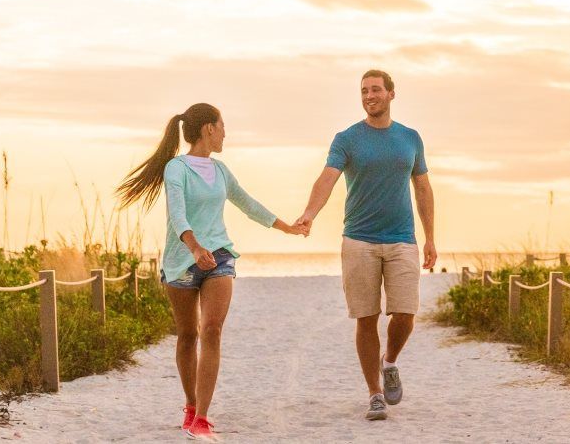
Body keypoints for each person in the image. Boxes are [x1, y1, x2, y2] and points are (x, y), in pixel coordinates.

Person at [116, 103, 308, 440]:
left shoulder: (220, 171)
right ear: (208, 129)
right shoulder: (176, 169)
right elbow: (177, 214)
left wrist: (286, 228)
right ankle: (190, 404)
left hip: (219, 257)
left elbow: (248, 204)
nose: (225, 133)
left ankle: (202, 417)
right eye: (222, 126)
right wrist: (194, 247)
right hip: (182, 261)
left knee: (213, 330)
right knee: (188, 335)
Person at [295, 70, 435, 422]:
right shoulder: (347, 139)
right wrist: (310, 213)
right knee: (366, 318)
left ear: (391, 93)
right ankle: (374, 393)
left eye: (375, 90)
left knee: (405, 314)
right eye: (364, 91)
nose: (369, 95)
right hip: (358, 240)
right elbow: (326, 179)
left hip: (403, 238)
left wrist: (431, 236)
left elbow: (422, 188)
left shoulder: (410, 138)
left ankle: (390, 363)